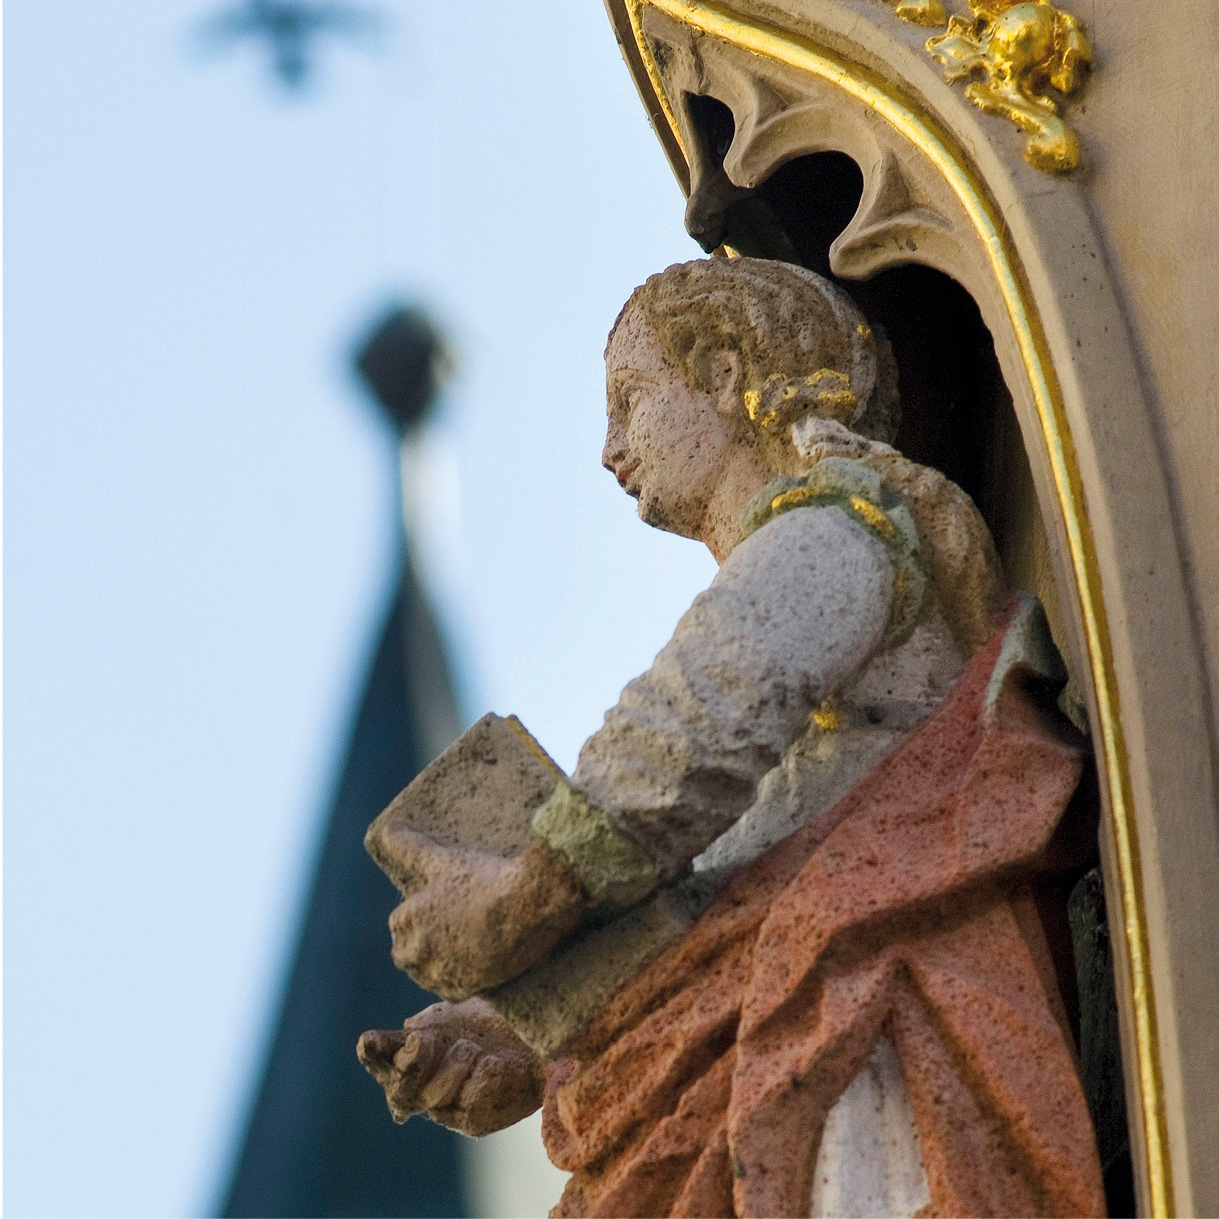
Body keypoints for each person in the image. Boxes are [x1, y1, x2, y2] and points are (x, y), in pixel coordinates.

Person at [358, 257, 1106, 1218]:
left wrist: (526, 895)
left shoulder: (843, 528)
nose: (608, 446)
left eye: (631, 399)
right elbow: (724, 869)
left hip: (853, 1009)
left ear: (720, 370)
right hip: (796, 1002)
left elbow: (690, 729)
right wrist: (524, 1030)